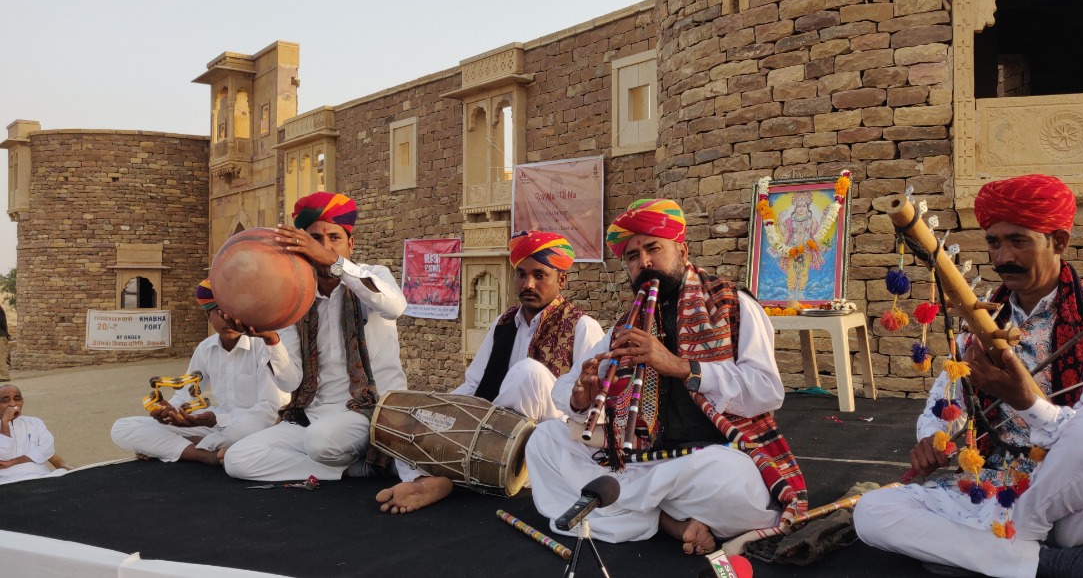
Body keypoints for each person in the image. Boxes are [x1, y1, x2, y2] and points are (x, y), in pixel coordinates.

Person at [853, 175, 1083, 578]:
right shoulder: (981, 321)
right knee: (874, 511)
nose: (1002, 256)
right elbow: (947, 404)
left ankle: (988, 550)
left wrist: (1026, 401)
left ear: (1058, 241)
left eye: (1018, 241)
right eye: (994, 242)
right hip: (1001, 487)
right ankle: (1049, 564)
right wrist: (933, 438)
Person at [524, 199, 807, 555]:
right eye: (632, 256)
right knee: (544, 440)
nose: (644, 262)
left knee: (734, 483)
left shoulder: (732, 303)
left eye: (653, 248)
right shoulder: (624, 326)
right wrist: (582, 394)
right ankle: (669, 521)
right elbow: (568, 387)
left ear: (682, 250)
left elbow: (767, 391)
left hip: (708, 458)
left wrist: (679, 366)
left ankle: (631, 511)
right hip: (639, 461)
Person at [376, 230, 605, 514]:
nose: (528, 284)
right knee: (413, 423)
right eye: (520, 274)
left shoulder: (582, 326)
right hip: (489, 426)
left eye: (540, 275)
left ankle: (501, 465)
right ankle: (426, 480)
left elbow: (592, 405)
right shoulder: (504, 322)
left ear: (562, 279)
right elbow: (473, 383)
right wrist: (434, 414)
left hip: (548, 434)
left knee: (528, 373)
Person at [223, 192, 408, 481]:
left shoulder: (371, 276)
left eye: (334, 238)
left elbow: (395, 306)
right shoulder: (292, 300)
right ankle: (349, 470)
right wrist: (271, 339)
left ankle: (334, 460)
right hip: (313, 415)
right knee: (238, 459)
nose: (324, 246)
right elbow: (290, 382)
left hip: (370, 411)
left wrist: (334, 263)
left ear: (351, 243)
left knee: (320, 443)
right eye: (315, 239)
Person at [110, 280, 287, 465]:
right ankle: (207, 455)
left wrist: (216, 419)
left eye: (235, 313)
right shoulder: (206, 348)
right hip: (213, 424)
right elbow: (186, 393)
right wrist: (169, 411)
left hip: (252, 424)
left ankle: (179, 448)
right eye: (220, 313)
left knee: (247, 430)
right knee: (123, 427)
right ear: (207, 315)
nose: (229, 320)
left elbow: (270, 409)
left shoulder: (263, 347)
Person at [0, 384, 70, 484]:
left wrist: (13, 462)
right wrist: (5, 424)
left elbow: (47, 449)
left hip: (42, 477)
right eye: (5, 400)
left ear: (22, 402)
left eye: (17, 399)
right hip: (8, 482)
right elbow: (3, 456)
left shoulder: (34, 423)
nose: (12, 404)